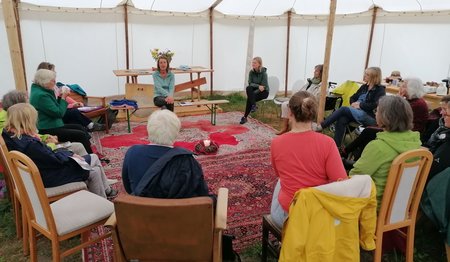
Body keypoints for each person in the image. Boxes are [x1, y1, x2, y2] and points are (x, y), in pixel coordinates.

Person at [2, 103, 117, 198]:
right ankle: (102, 203)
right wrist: (71, 155)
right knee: (93, 169)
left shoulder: (10, 135)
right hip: (48, 177)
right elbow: (54, 160)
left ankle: (105, 192)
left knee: (92, 165)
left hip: (41, 172)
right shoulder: (30, 144)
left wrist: (68, 154)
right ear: (28, 121)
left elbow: (47, 156)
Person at [270, 91, 348, 228]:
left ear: (290, 113)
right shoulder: (328, 143)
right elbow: (341, 182)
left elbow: (279, 175)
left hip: (287, 216)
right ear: (313, 113)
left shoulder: (277, 143)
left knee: (281, 181)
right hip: (317, 214)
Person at [349, 96, 422, 204]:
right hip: (401, 208)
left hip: (373, 207)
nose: (375, 114)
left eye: (377, 111)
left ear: (385, 117)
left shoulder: (378, 147)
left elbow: (354, 178)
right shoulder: (416, 145)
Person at [122, 109, 208, 198]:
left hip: (140, 209)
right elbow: (201, 194)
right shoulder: (188, 161)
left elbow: (128, 189)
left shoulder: (132, 153)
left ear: (149, 130)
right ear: (176, 133)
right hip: (177, 211)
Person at [342, 77, 428, 162]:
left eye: (404, 86)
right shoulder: (412, 101)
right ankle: (356, 156)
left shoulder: (417, 104)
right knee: (368, 132)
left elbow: (394, 118)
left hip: (405, 132)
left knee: (368, 131)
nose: (401, 87)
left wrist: (398, 100)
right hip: (400, 129)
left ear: (411, 88)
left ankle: (348, 153)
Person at [0, 90, 88, 156]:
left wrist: (46, 137)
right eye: (27, 102)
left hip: (43, 145)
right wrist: (51, 143)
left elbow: (31, 136)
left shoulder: (12, 118)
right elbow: (33, 147)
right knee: (79, 138)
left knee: (78, 132)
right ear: (19, 106)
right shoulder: (9, 123)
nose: (30, 104)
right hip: (44, 154)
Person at [314, 67, 386, 147]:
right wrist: (353, 103)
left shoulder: (380, 90)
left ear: (374, 77)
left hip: (369, 116)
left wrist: (360, 105)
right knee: (342, 119)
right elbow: (353, 97)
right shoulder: (364, 87)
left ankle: (322, 126)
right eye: (365, 73)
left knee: (343, 109)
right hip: (357, 112)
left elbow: (375, 105)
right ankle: (337, 147)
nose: (364, 76)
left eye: (367, 74)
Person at [29, 69, 93, 153]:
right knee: (80, 135)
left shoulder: (40, 91)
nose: (55, 83)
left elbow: (55, 107)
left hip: (52, 124)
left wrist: (60, 97)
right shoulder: (41, 95)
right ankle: (89, 158)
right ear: (45, 81)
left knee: (80, 128)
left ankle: (87, 152)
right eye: (53, 81)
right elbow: (59, 113)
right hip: (47, 128)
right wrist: (63, 98)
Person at [37, 62, 105, 132]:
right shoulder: (45, 91)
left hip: (59, 112)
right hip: (53, 120)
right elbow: (57, 108)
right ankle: (90, 126)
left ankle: (89, 126)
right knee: (74, 113)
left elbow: (63, 99)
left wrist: (75, 103)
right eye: (53, 72)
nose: (55, 73)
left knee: (75, 115)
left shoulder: (53, 86)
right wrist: (72, 105)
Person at [277, 64, 323, 135]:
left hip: (308, 103)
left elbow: (316, 98)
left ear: (321, 73)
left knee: (292, 107)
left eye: (316, 71)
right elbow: (301, 91)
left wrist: (304, 99)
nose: (314, 72)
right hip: (300, 99)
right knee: (284, 104)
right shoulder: (310, 82)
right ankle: (285, 127)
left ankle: (295, 129)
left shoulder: (322, 85)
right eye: (314, 70)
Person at [424, 95, 450, 179]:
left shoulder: (447, 140)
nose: (441, 113)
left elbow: (434, 168)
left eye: (445, 109)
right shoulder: (439, 124)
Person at [240, 57, 269, 124]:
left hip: (264, 92)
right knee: (248, 88)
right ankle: (254, 106)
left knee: (250, 98)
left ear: (259, 64)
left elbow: (263, 87)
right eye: (252, 62)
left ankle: (245, 117)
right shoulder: (251, 72)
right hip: (256, 90)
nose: (253, 64)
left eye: (255, 63)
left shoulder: (264, 74)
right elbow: (250, 83)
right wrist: (258, 86)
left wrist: (253, 93)